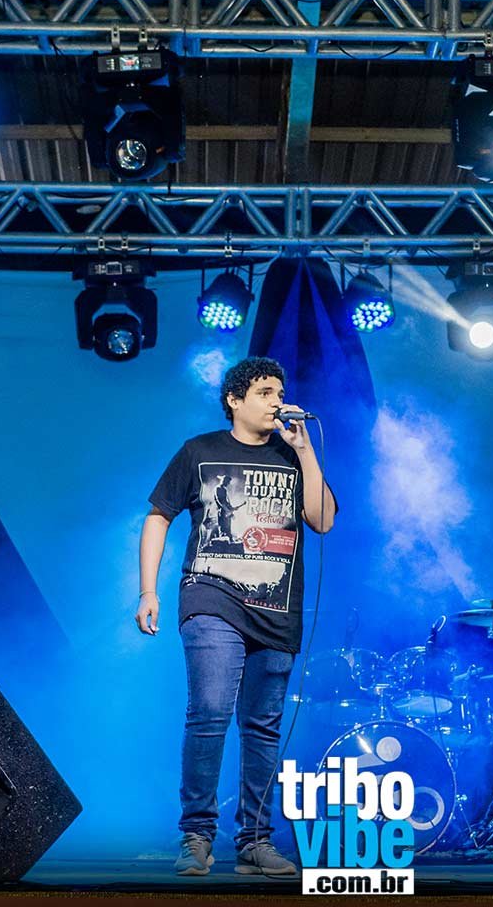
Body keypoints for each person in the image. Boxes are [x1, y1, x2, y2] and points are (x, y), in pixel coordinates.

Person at [137, 357, 337, 878]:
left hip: (275, 608)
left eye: (280, 393)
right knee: (209, 712)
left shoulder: (291, 454)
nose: (277, 402)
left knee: (262, 727)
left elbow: (322, 520)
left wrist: (305, 451)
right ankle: (197, 836)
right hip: (211, 597)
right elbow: (158, 516)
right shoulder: (199, 451)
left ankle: (255, 840)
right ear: (235, 399)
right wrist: (148, 591)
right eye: (266, 392)